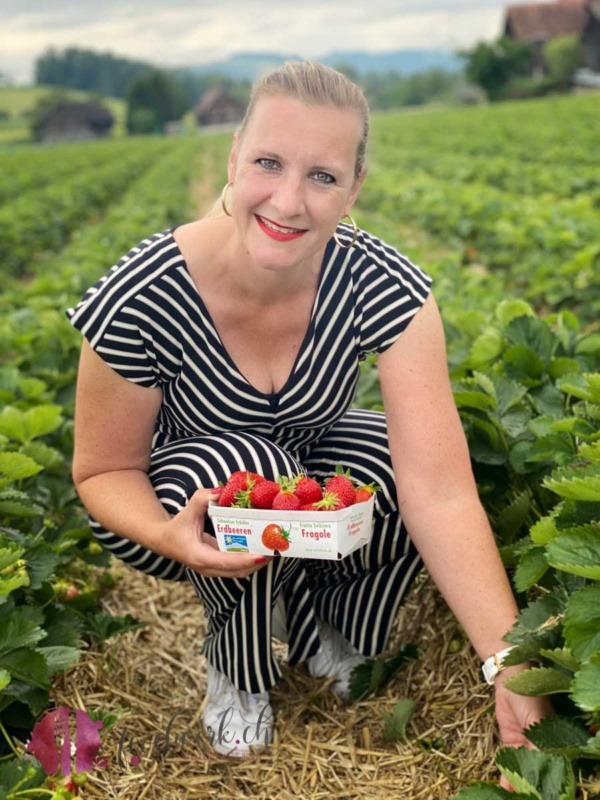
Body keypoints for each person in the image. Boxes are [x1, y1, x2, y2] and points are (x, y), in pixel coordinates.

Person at [67, 61, 549, 766]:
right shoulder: (145, 291)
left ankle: (333, 625)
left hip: (310, 486)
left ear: (354, 189)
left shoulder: (383, 285)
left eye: (322, 176)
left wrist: (510, 663)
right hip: (180, 500)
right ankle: (237, 669)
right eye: (268, 162)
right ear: (232, 159)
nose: (288, 201)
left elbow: (439, 491)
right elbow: (103, 468)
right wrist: (169, 537)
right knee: (250, 468)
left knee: (387, 458)